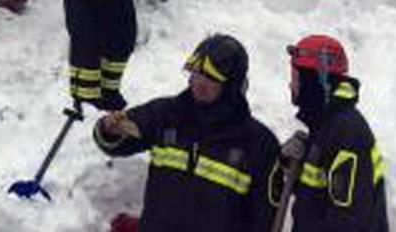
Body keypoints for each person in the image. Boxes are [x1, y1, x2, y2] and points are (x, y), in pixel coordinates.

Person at [94, 35, 283, 232]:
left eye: (211, 78)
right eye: (196, 73)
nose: (200, 83)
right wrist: (109, 129)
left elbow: (264, 219)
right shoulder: (166, 115)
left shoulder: (260, 144)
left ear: (232, 85)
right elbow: (115, 141)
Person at [282, 35, 389, 232]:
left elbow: (347, 220)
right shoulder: (326, 127)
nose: (291, 85)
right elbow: (318, 202)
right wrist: (295, 166)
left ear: (314, 80)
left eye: (296, 78)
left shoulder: (347, 134)